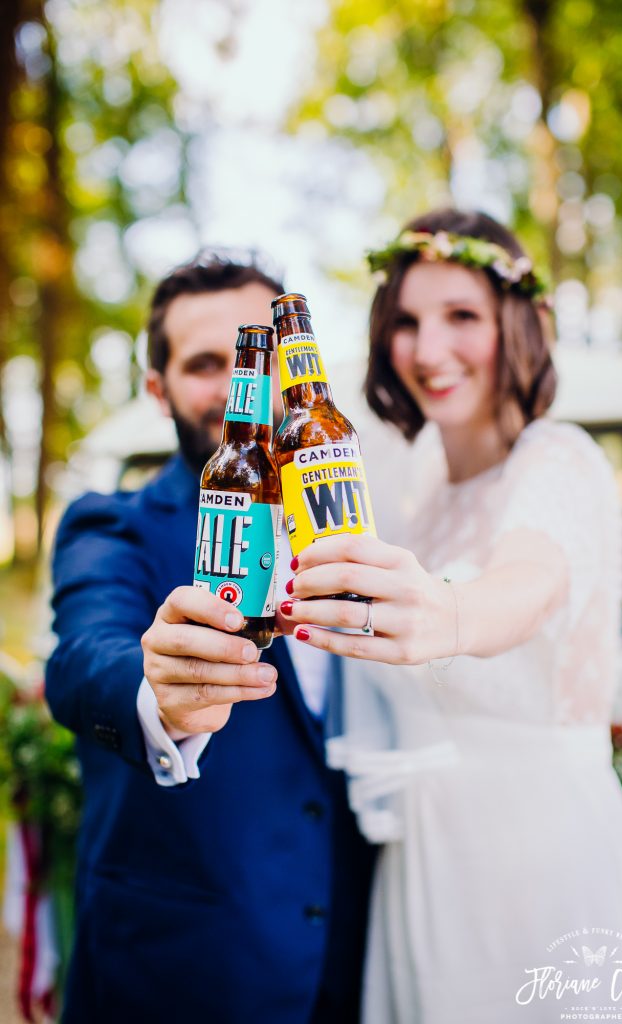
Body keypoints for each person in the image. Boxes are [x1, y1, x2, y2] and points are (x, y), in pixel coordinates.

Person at [277, 209, 622, 1022]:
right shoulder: (414, 490)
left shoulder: (558, 458)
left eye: (461, 316)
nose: (429, 351)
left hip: (541, 866)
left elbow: (525, 582)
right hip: (422, 872)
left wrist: (449, 614)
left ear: (518, 323)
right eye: (407, 323)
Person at [45, 249, 375, 1024]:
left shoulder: (359, 512)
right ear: (158, 390)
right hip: (182, 976)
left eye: (255, 356)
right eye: (204, 364)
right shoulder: (112, 524)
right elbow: (82, 656)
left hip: (358, 963)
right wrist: (157, 689)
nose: (238, 386)